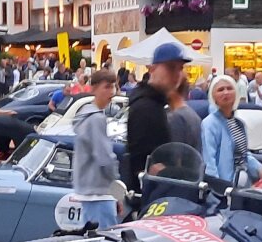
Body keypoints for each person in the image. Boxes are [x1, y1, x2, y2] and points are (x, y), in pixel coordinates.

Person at [123, 43, 185, 186]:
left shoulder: (156, 104)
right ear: (152, 69)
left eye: (180, 68)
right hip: (152, 198)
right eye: (170, 67)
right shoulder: (146, 107)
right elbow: (144, 165)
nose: (177, 74)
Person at [71, 69, 121, 230]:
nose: (111, 92)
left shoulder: (86, 116)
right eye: (106, 87)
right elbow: (105, 158)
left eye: (113, 86)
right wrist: (117, 189)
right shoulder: (96, 119)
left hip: (88, 191)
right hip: (100, 192)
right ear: (93, 88)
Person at [202, 75, 262, 187]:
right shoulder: (210, 124)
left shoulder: (238, 123)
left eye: (229, 88)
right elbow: (209, 163)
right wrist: (218, 191)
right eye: (220, 90)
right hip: (224, 191)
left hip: (242, 186)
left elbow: (243, 155)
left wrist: (260, 169)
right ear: (213, 97)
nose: (226, 92)